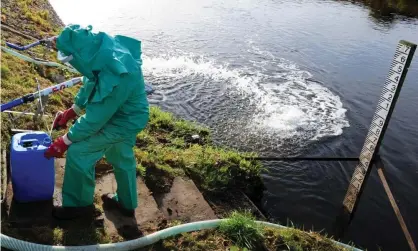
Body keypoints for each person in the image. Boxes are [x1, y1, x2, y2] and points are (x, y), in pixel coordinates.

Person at [45, 24, 149, 220]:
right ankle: (127, 205)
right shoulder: (100, 51)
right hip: (131, 114)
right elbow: (91, 81)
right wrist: (73, 110)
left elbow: (95, 120)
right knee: (121, 156)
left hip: (123, 120)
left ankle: (78, 209)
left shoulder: (118, 73)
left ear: (80, 56)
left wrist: (65, 141)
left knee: (78, 151)